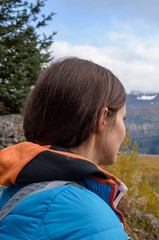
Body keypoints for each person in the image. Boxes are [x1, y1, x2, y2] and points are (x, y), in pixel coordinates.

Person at [0, 57, 129, 239]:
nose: (124, 130)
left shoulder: (13, 191)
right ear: (102, 119)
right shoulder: (89, 217)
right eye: (123, 119)